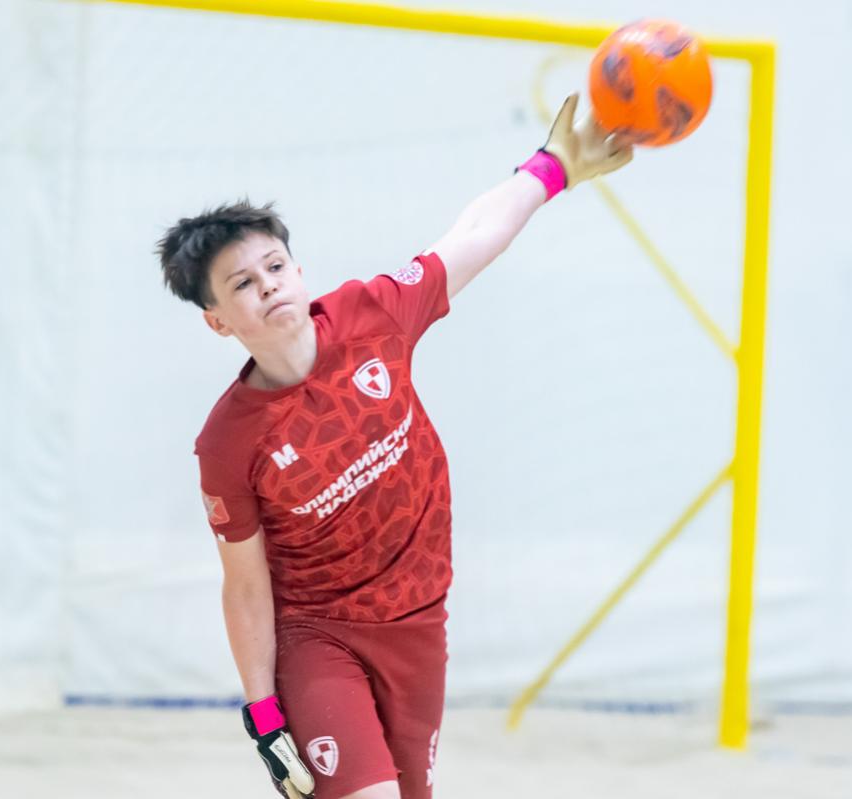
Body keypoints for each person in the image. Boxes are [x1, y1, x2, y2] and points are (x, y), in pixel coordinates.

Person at [157, 93, 632, 799]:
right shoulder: (227, 443)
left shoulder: (371, 315)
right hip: (318, 635)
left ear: (298, 269)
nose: (269, 287)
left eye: (276, 267)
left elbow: (470, 237)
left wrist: (552, 166)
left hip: (418, 620)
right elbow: (246, 586)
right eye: (243, 284)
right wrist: (263, 715)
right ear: (218, 320)